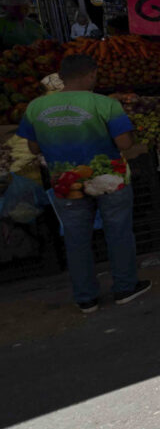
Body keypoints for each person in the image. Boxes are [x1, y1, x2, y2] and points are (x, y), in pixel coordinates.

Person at [18, 55, 150, 312]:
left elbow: (33, 148)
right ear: (91, 74)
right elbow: (125, 143)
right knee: (118, 232)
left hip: (65, 182)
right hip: (110, 178)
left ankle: (86, 298)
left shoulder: (35, 108)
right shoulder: (104, 104)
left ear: (62, 77)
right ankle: (124, 288)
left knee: (76, 239)